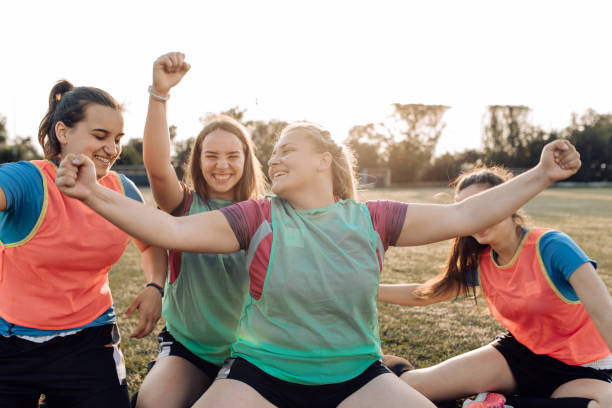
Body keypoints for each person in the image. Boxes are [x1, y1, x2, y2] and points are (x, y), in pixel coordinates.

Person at [56, 118, 580, 408]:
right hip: (263, 373)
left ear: (324, 160)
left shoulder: (373, 219)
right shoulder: (256, 216)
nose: (274, 159)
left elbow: (467, 212)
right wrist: (93, 195)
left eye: (286, 149)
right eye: (273, 152)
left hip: (355, 375)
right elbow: (169, 229)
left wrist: (540, 174)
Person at [378, 166, 612, 408]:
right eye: (466, 210)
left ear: (508, 202)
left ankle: (498, 403)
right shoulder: (482, 261)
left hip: (583, 368)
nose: (475, 217)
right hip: (518, 357)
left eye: (483, 205)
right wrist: (368, 290)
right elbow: (424, 294)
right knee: (412, 389)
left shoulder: (552, 247)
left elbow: (605, 313)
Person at [0, 80, 167, 408]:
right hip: (11, 343)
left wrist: (154, 286)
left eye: (117, 139)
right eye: (100, 136)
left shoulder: (123, 189)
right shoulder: (27, 181)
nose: (113, 149)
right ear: (63, 132)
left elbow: (151, 244)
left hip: (91, 340)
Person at [133, 52, 267, 408]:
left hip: (252, 353)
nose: (221, 165)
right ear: (198, 159)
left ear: (246, 160)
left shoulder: (267, 213)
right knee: (152, 404)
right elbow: (158, 169)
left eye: (232, 156)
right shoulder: (185, 206)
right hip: (189, 347)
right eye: (211, 156)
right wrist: (159, 95)